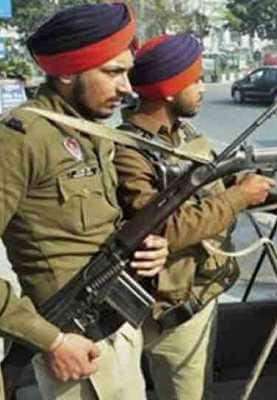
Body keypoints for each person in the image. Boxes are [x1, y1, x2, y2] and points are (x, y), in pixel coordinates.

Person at [0, 4, 171, 399]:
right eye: (112, 72)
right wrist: (51, 341)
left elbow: (99, 228)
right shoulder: (22, 138)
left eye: (127, 72)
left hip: (118, 328)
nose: (127, 87)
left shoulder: (89, 132)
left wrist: (148, 249)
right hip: (75, 347)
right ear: (65, 72)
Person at [113, 33, 277, 400]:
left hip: (201, 295)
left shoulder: (185, 135)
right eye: (196, 79)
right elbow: (162, 227)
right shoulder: (129, 150)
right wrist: (240, 196)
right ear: (169, 89)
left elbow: (227, 185)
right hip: (168, 314)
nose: (203, 87)